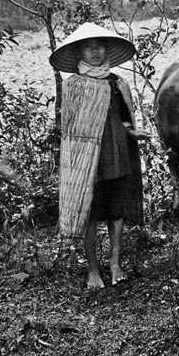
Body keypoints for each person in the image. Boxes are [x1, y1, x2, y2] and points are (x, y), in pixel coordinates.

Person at [50, 23, 148, 288]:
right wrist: (77, 159)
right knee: (90, 212)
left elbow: (124, 119)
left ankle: (115, 263)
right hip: (86, 161)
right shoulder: (73, 86)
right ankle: (93, 269)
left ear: (107, 50)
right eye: (88, 47)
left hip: (116, 155)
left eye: (99, 46)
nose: (95, 52)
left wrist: (132, 133)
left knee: (116, 210)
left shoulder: (117, 83)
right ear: (79, 52)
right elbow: (69, 131)